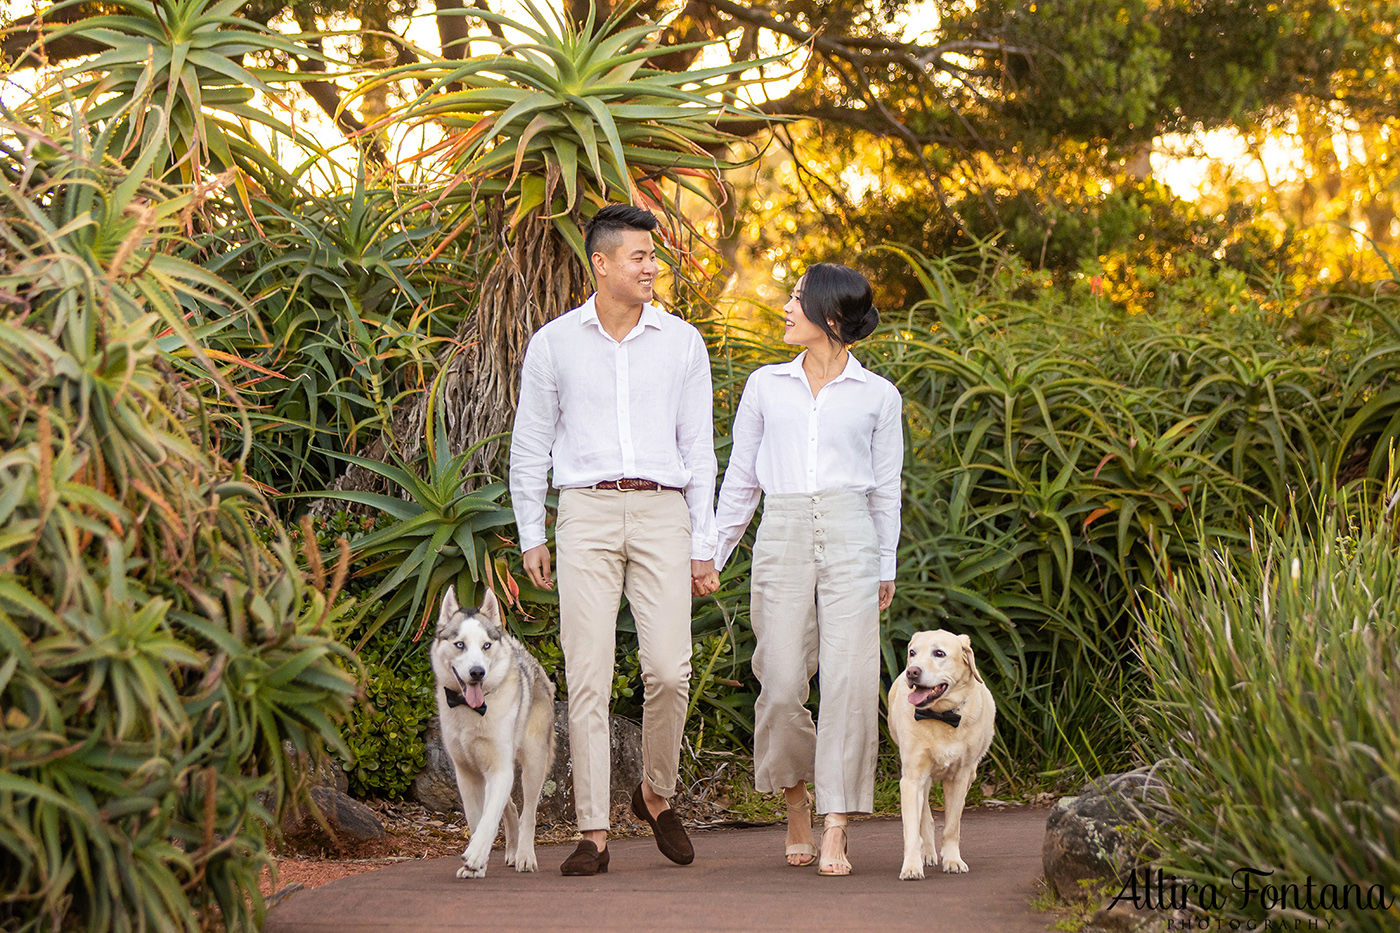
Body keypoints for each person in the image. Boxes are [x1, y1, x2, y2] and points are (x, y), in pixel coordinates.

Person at [509, 204, 721, 877]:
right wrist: (530, 532)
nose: (652, 266)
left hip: (664, 513)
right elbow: (530, 444)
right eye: (638, 256)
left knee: (668, 669)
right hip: (586, 513)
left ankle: (655, 793)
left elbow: (701, 448)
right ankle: (593, 831)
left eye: (653, 256)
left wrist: (703, 541)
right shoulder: (554, 343)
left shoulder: (684, 342)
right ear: (600, 263)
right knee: (589, 675)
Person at [713, 263, 902, 876]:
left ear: (828, 316)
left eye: (795, 299)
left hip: (852, 535)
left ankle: (837, 824)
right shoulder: (766, 385)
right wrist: (710, 555)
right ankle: (796, 799)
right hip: (784, 531)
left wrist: (884, 564)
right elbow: (741, 479)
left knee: (849, 683)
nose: (785, 308)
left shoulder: (879, 396)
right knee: (781, 680)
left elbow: (886, 492)